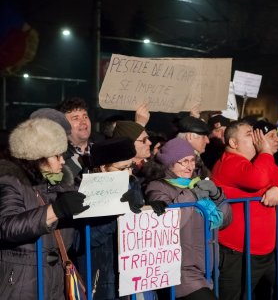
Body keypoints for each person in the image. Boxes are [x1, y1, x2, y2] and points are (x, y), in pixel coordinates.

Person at [212, 120, 278, 300]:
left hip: (267, 249)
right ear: (233, 143)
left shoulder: (259, 161)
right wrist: (266, 151)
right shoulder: (228, 162)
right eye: (249, 134)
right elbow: (259, 180)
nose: (257, 139)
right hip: (238, 252)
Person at [0, 118, 88, 299]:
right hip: (21, 284)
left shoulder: (61, 185)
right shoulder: (10, 182)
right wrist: (54, 210)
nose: (63, 161)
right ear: (37, 157)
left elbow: (78, 238)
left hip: (56, 282)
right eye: (57, 155)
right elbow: (7, 226)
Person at [144, 138, 232, 299]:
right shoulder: (158, 187)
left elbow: (225, 222)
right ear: (169, 163)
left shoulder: (196, 183)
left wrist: (218, 196)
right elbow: (170, 223)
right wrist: (192, 195)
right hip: (181, 272)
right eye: (184, 161)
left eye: (192, 161)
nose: (190, 166)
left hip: (208, 268)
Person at [74, 137, 145, 299]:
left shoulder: (133, 184)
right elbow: (81, 241)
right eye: (122, 168)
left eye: (130, 167)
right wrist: (116, 216)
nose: (128, 173)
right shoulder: (83, 192)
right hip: (100, 277)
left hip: (130, 273)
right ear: (103, 168)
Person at [57, 97, 93, 177]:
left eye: (85, 117)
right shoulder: (57, 157)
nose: (83, 122)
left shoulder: (103, 149)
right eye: (75, 118)